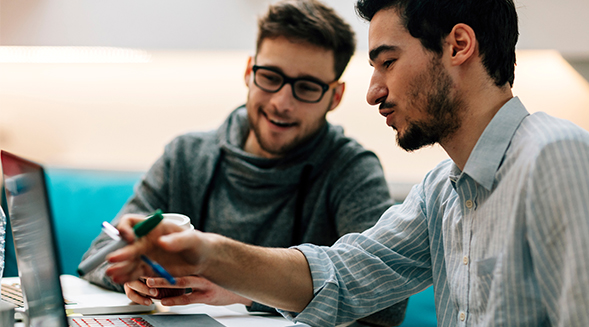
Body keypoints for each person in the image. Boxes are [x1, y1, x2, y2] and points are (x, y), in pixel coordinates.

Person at [105, 0, 589, 325]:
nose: (374, 91)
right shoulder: (441, 189)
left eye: (388, 62)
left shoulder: (554, 156)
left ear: (458, 45)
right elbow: (343, 274)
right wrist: (208, 253)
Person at [81, 0, 408, 325]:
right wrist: (131, 275)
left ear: (334, 97)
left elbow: (387, 304)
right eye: (270, 77)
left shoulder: (351, 170)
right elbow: (99, 254)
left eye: (307, 87)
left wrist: (244, 291)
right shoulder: (186, 156)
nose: (282, 103)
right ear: (249, 73)